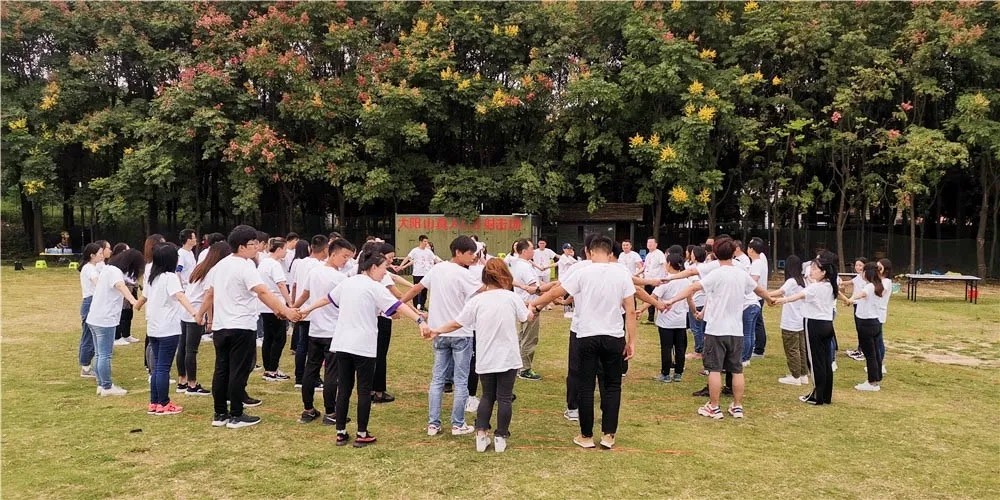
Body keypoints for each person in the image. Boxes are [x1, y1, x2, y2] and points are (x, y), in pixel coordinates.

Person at [311, 249, 428, 447]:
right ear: (373, 267)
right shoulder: (375, 287)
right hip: (363, 345)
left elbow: (326, 299)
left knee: (344, 388)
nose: (385, 273)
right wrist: (419, 320)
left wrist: (305, 309)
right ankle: (362, 433)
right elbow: (398, 306)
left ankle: (340, 432)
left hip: (342, 343)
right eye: (383, 268)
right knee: (364, 390)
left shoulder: (348, 282)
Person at [532, 235, 636, 449]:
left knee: (586, 386)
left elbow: (556, 292)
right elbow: (631, 310)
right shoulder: (622, 273)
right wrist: (631, 340)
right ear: (610, 253)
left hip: (587, 335)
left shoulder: (582, 271)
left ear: (590, 252)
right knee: (613, 386)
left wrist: (534, 304)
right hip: (614, 336)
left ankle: (586, 436)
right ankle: (608, 435)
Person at [196, 225, 300, 429]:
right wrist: (286, 311)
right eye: (252, 244)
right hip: (241, 326)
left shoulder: (219, 266)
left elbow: (210, 294)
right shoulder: (245, 266)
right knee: (238, 370)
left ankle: (220, 414)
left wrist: (200, 314)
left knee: (222, 369)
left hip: (221, 327)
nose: (256, 248)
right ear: (242, 247)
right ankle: (236, 414)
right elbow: (262, 292)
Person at [662, 238, 772, 420]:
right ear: (733, 252)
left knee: (714, 369)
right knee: (737, 370)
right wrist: (770, 299)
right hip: (736, 331)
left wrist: (671, 300)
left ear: (714, 253)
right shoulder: (741, 273)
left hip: (716, 330)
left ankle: (714, 407)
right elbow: (758, 290)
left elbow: (693, 287)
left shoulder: (716, 274)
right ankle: (737, 406)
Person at [429, 258, 529, 452]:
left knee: (487, 396)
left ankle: (481, 434)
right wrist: (533, 310)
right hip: (508, 357)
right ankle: (500, 437)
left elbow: (457, 323)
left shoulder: (476, 300)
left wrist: (437, 330)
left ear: (484, 277)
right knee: (504, 397)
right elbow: (525, 317)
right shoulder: (512, 297)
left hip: (485, 357)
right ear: (505, 276)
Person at [399, 236, 483, 437]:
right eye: (470, 254)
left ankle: (433, 424)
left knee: (437, 379)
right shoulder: (464, 274)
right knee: (460, 381)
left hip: (439, 332)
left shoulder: (437, 269)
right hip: (460, 333)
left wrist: (398, 304)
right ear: (458, 252)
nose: (473, 257)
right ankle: (457, 424)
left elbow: (416, 288)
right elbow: (484, 291)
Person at [295, 238, 356, 425]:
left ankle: (308, 409)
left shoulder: (315, 272)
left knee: (311, 369)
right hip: (332, 331)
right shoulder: (339, 278)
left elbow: (304, 295)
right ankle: (331, 412)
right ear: (333, 253)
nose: (346, 260)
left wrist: (294, 308)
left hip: (316, 329)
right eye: (344, 256)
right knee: (331, 372)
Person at [774, 250, 839, 405]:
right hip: (827, 325)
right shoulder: (830, 285)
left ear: (823, 272)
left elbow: (796, 296)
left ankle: (817, 396)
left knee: (815, 362)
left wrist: (779, 300)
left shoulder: (816, 287)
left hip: (814, 325)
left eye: (815, 269)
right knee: (825, 361)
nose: (811, 271)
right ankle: (825, 395)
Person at [144, 243, 199, 415]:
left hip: (153, 328)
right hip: (167, 328)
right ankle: (164, 403)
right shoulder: (170, 277)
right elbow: (180, 296)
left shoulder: (152, 278)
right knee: (163, 368)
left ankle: (154, 402)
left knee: (158, 367)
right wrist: (195, 313)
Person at [85, 249, 144, 396]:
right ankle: (107, 387)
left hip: (95, 317)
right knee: (105, 354)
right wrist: (133, 301)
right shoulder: (115, 272)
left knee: (99, 354)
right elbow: (120, 286)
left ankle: (101, 384)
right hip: (105, 319)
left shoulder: (108, 269)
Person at [177, 242, 230, 396]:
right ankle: (192, 385)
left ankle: (182, 381)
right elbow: (209, 297)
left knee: (183, 347)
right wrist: (210, 319)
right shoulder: (212, 272)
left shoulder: (200, 267)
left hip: (186, 310)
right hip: (196, 311)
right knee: (191, 350)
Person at [509, 239, 559, 380]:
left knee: (522, 336)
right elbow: (535, 289)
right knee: (529, 338)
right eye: (531, 249)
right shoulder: (524, 267)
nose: (534, 251)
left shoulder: (520, 264)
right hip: (529, 306)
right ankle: (524, 369)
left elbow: (537, 284)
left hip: (523, 304)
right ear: (524, 251)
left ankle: (517, 366)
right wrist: (553, 291)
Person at [642, 253, 692, 383]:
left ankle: (665, 374)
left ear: (669, 264)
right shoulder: (687, 281)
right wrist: (694, 311)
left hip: (666, 321)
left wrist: (641, 309)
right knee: (680, 348)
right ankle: (678, 373)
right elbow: (690, 299)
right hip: (681, 321)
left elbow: (652, 297)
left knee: (666, 347)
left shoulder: (665, 281)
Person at [289, 235, 328, 388]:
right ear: (325, 249)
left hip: (301, 308)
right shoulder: (319, 267)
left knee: (302, 345)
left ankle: (299, 376)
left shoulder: (300, 263)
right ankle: (313, 377)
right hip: (312, 309)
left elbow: (294, 285)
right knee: (313, 348)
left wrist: (293, 305)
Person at [257, 237, 293, 382]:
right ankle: (272, 370)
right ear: (279, 249)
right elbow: (281, 285)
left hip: (264, 304)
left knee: (268, 337)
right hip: (275, 304)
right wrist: (289, 302)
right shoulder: (274, 264)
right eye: (285, 249)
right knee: (279, 338)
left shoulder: (263, 262)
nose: (286, 252)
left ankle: (269, 369)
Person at [845, 262, 885, 392]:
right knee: (875, 353)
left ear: (867, 273)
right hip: (875, 322)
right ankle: (877, 378)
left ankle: (872, 382)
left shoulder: (869, 286)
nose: (861, 273)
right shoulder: (878, 285)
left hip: (866, 324)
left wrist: (851, 298)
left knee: (870, 354)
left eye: (863, 271)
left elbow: (862, 294)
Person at [769, 255, 808, 386]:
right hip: (800, 320)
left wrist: (765, 294)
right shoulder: (803, 281)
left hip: (790, 321)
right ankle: (803, 374)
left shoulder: (791, 281)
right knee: (801, 348)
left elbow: (781, 291)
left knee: (791, 349)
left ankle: (795, 376)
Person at [78, 241, 108, 378]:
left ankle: (88, 365)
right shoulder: (89, 268)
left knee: (92, 335)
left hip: (93, 302)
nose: (102, 256)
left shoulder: (93, 267)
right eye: (100, 253)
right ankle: (85, 367)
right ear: (92, 255)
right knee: (89, 335)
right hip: (90, 302)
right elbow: (98, 283)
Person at [396, 235, 441, 311]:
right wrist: (401, 266)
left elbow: (435, 259)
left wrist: (442, 265)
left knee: (424, 291)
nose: (426, 243)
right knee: (415, 289)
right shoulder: (415, 250)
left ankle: (422, 306)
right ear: (420, 241)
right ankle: (415, 306)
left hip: (426, 274)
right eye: (424, 241)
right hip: (417, 273)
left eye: (427, 241)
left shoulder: (429, 252)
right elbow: (407, 258)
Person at [748, 239, 769, 358]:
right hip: (758, 296)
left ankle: (759, 349)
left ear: (751, 249)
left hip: (756, 296)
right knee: (757, 322)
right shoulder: (759, 261)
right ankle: (758, 348)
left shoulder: (757, 263)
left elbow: (753, 280)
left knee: (757, 323)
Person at [641, 236, 665, 323]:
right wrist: (635, 275)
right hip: (648, 280)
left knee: (657, 299)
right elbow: (644, 267)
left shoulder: (659, 254)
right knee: (648, 298)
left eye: (651, 242)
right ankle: (650, 318)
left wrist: (666, 276)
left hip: (656, 281)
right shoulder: (648, 255)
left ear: (656, 244)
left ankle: (659, 318)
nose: (649, 244)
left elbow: (664, 264)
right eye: (648, 242)